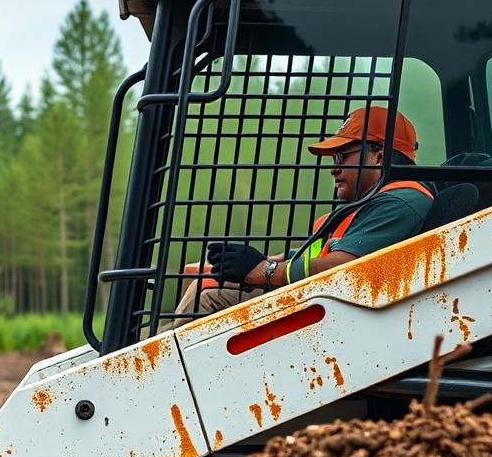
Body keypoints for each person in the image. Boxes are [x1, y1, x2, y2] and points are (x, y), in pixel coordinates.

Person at [175, 106, 434, 316]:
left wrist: (265, 271)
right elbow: (320, 253)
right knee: (202, 282)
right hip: (323, 303)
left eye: (342, 157)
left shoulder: (401, 203)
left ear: (379, 156)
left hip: (332, 313)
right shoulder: (374, 204)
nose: (334, 168)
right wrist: (257, 261)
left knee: (205, 297)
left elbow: (344, 267)